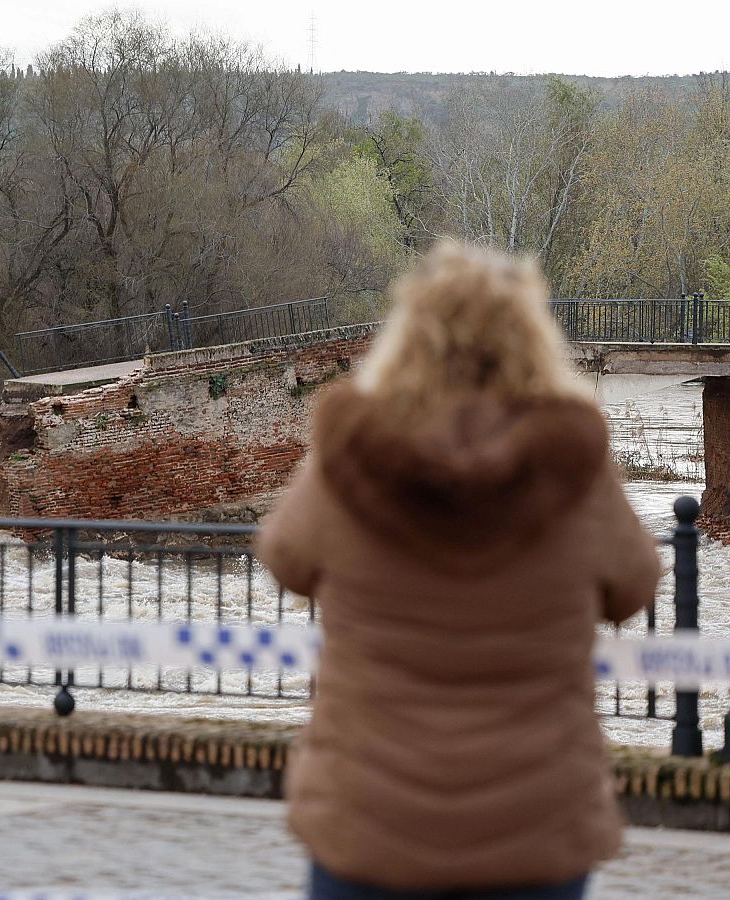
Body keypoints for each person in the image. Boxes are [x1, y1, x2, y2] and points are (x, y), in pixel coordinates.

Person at [256, 242, 662, 900]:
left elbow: (285, 558)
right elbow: (634, 585)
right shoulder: (573, 466)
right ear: (531, 337)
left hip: (369, 822)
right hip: (534, 827)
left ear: (409, 335)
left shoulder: (352, 460)